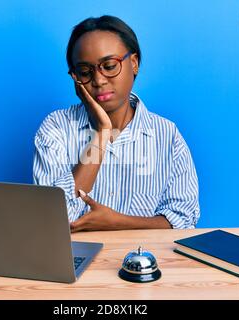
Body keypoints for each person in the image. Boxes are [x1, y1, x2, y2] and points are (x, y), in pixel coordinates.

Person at [33, 15, 200, 232]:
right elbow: (51, 221)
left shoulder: (167, 135)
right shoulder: (56, 128)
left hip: (146, 261)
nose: (99, 80)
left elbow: (183, 221)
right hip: (74, 261)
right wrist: (102, 133)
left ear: (134, 63)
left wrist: (117, 223)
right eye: (85, 72)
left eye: (109, 66)